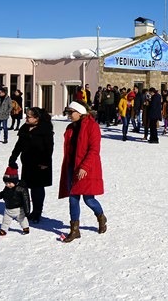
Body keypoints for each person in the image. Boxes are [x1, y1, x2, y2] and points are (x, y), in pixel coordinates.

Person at [59, 101, 106, 242]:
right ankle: (74, 230)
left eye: (71, 112)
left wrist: (84, 167)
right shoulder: (70, 127)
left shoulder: (92, 126)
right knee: (73, 198)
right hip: (71, 167)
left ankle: (101, 216)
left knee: (88, 199)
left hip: (87, 168)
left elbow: (94, 150)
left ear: (80, 113)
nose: (68, 115)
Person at [9, 107, 54, 223]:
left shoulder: (45, 129)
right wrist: (13, 158)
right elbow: (19, 145)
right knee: (25, 188)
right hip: (27, 163)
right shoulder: (25, 128)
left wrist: (44, 163)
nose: (26, 118)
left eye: (29, 116)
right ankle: (27, 211)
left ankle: (37, 212)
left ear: (37, 118)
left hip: (41, 164)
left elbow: (49, 148)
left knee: (37, 189)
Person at [0, 166, 31, 236]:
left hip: (19, 210)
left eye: (10, 183)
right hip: (8, 209)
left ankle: (26, 228)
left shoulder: (21, 189)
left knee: (22, 219)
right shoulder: (7, 188)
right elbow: (4, 193)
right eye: (6, 183)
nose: (8, 185)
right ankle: (3, 230)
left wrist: (27, 211)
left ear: (15, 181)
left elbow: (26, 199)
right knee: (5, 221)